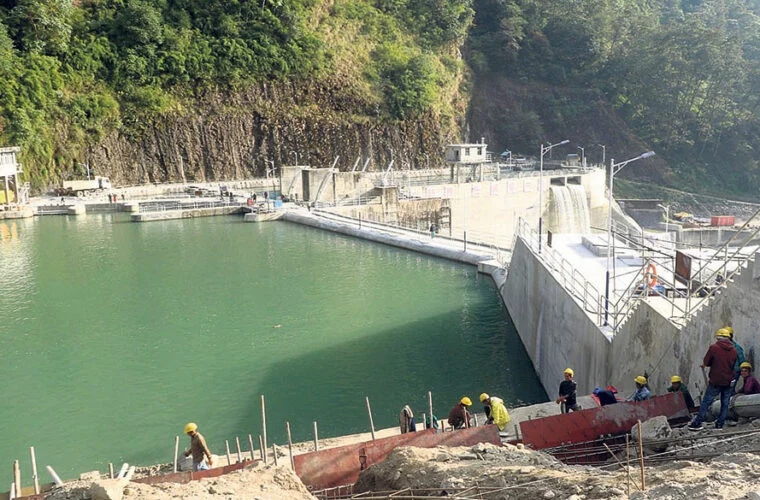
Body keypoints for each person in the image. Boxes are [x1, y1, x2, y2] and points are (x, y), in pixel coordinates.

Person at [688, 328, 738, 430]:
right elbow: (733, 365)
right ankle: (720, 424)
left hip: (716, 380)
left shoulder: (714, 348)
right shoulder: (734, 350)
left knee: (706, 401)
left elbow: (707, 362)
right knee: (725, 403)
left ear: (718, 337)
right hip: (728, 380)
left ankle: (697, 423)